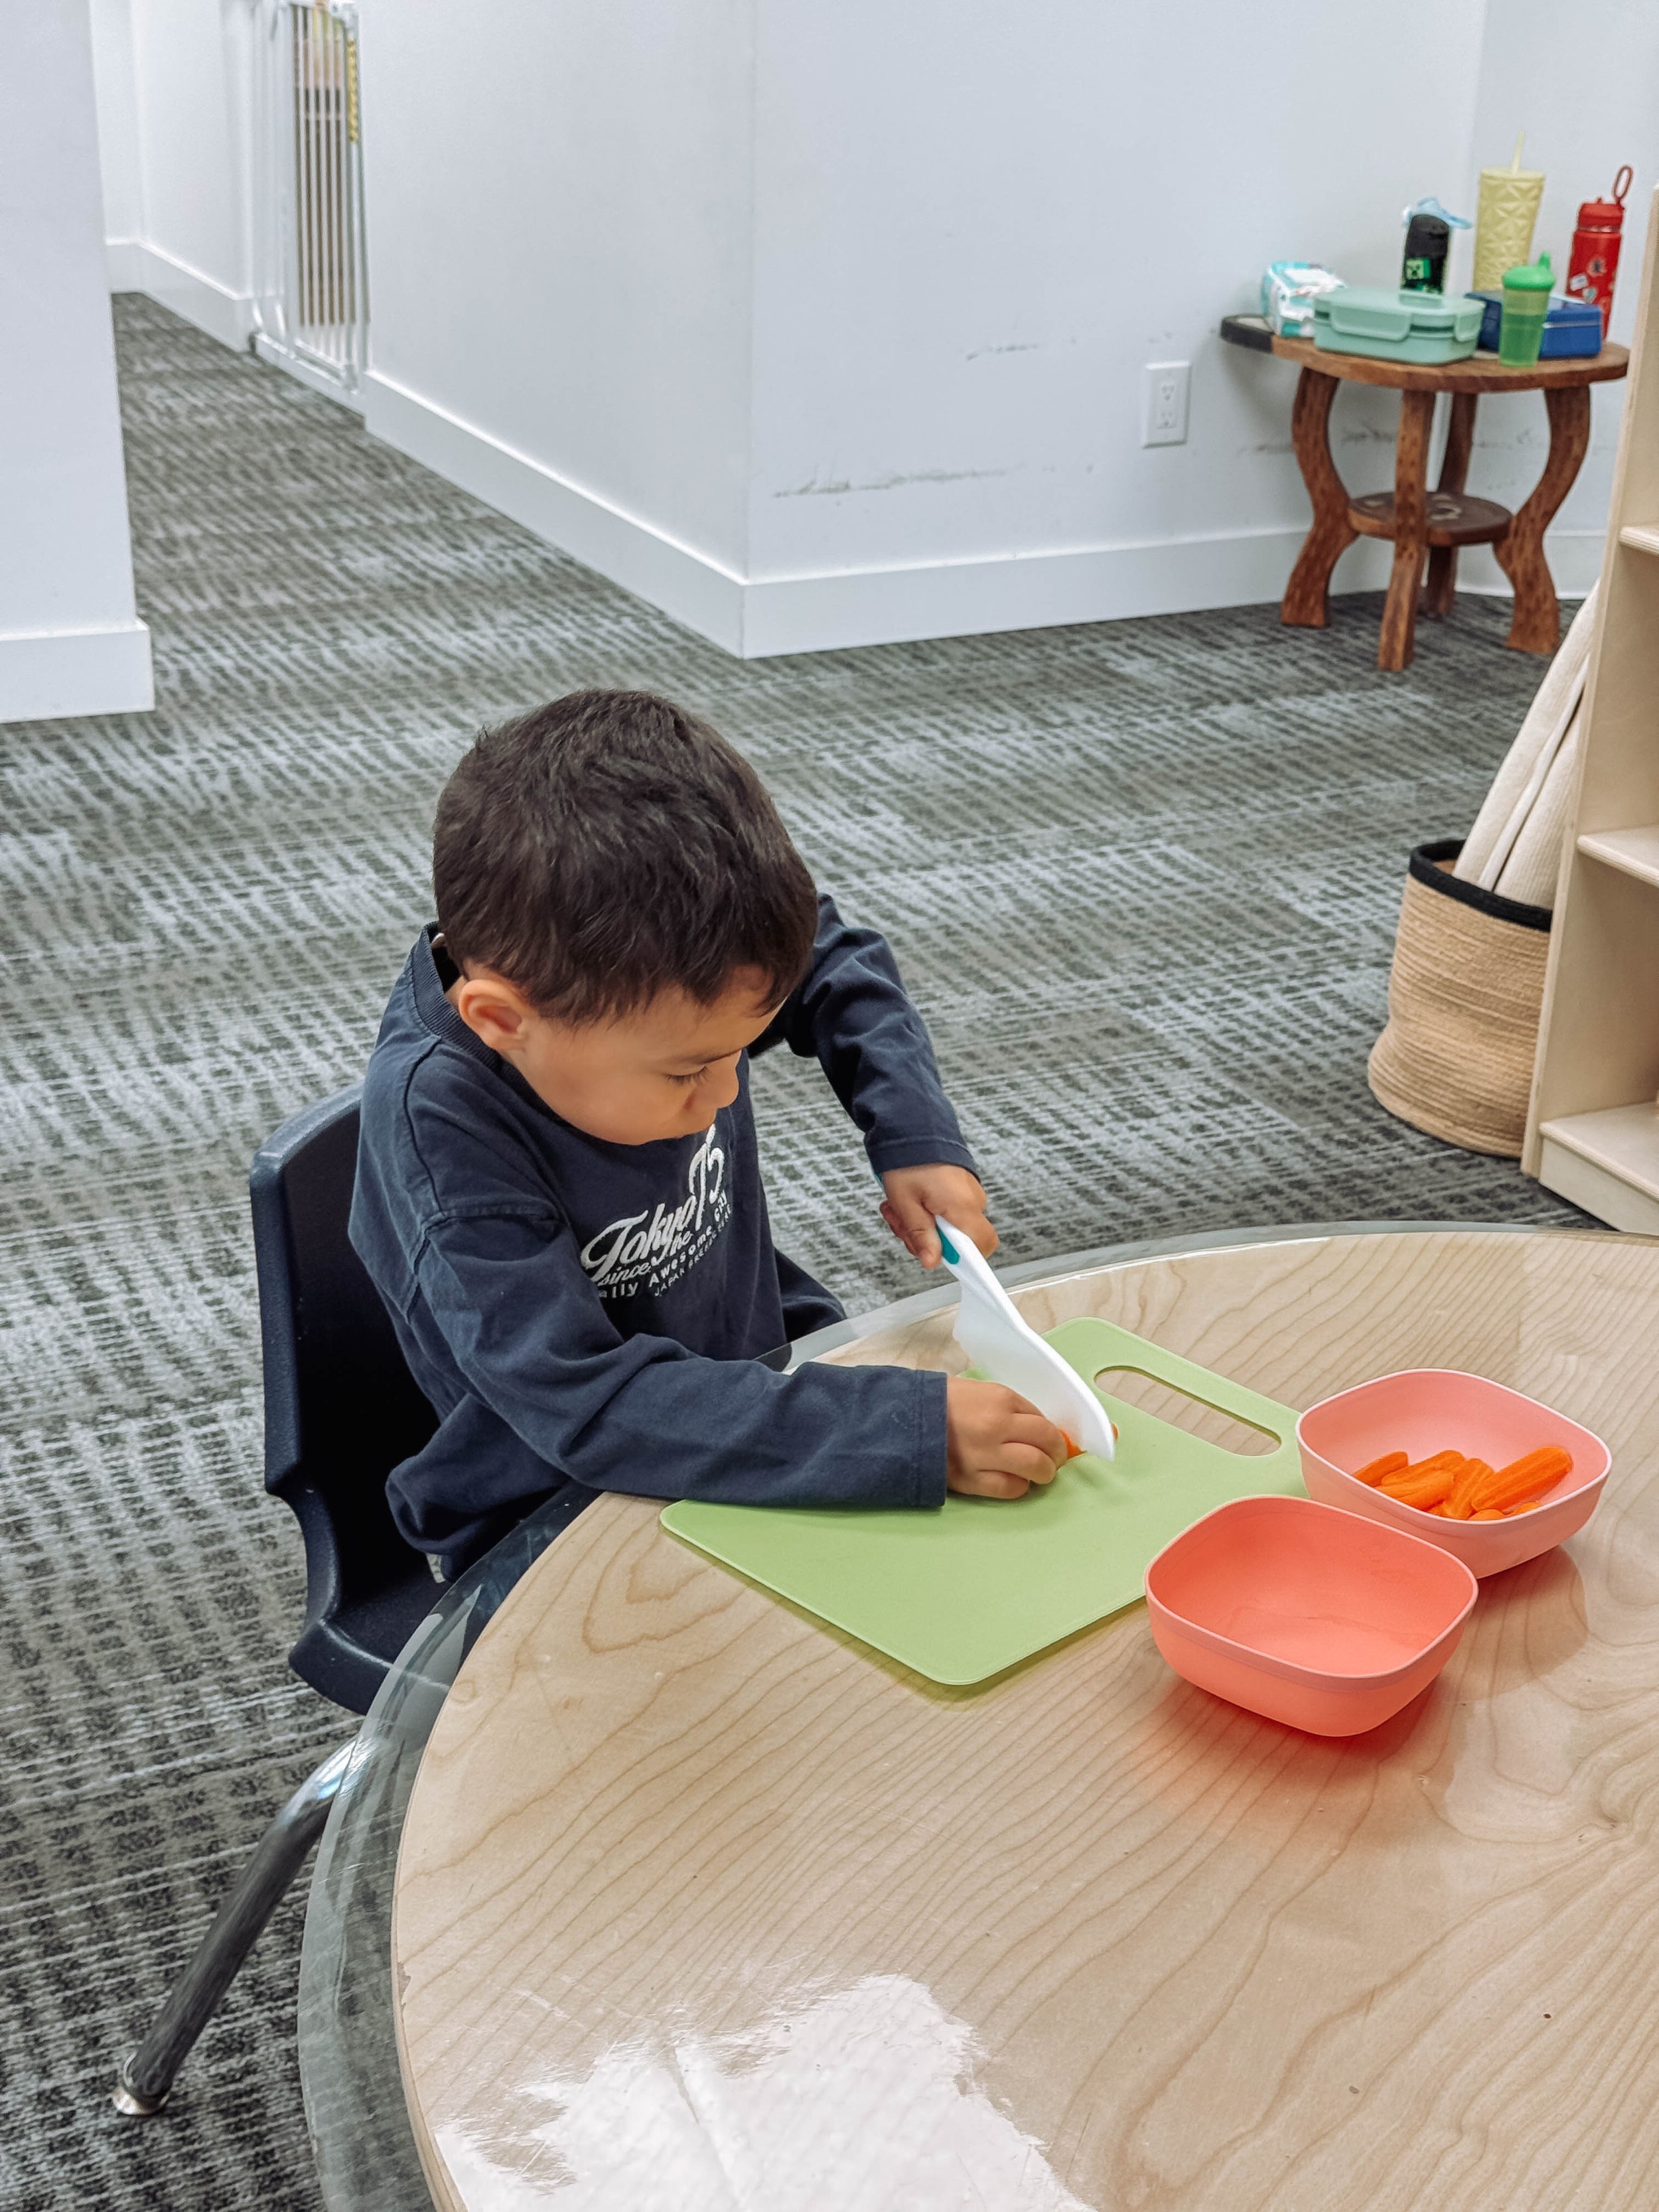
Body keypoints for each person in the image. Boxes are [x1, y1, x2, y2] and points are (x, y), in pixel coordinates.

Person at [350, 688, 1068, 1573]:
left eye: (733, 1053)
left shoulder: (660, 980)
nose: (727, 1086)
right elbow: (590, 1408)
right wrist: (900, 1430)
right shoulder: (442, 1133)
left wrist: (914, 1132)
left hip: (751, 1388)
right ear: (502, 1021)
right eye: (690, 1070)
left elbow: (834, 958)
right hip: (554, 1511)